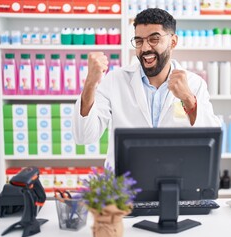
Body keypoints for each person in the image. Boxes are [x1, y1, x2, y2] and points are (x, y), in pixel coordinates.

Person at [73, 8, 220, 166]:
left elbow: (211, 142)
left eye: (154, 39)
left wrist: (188, 100)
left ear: (173, 42)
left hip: (175, 180)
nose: (144, 48)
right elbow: (84, 136)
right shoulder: (115, 80)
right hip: (126, 185)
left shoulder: (194, 84)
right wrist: (90, 83)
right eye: (139, 41)